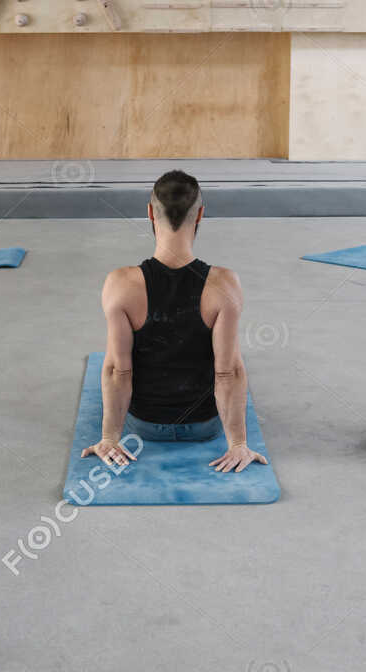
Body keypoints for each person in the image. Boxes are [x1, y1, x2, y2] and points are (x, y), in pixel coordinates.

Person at [81, 169, 267, 474]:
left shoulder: (120, 284)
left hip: (145, 426)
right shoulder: (224, 284)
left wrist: (109, 438)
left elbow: (118, 369)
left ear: (151, 213)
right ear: (201, 215)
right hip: (205, 427)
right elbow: (228, 372)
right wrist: (237, 445)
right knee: (232, 360)